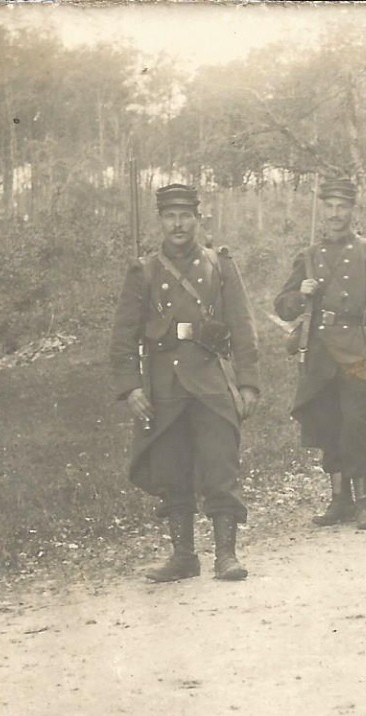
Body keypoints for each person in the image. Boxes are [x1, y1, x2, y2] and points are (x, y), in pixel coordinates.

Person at [110, 183, 261, 582]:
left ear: (198, 218)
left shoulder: (219, 265)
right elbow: (122, 337)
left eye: (185, 216)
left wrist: (248, 385)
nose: (178, 224)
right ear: (161, 221)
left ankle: (226, 555)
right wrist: (131, 388)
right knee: (170, 469)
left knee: (220, 466)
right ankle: (183, 556)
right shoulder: (142, 271)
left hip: (211, 381)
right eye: (170, 216)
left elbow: (243, 328)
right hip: (164, 386)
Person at [275, 176, 366, 532]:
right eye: (328, 207)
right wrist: (301, 293)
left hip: (357, 352)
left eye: (341, 207)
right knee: (327, 424)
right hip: (319, 355)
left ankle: (364, 502)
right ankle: (339, 499)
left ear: (351, 210)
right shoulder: (309, 256)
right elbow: (283, 307)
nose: (334, 214)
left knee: (357, 424)